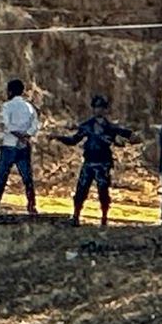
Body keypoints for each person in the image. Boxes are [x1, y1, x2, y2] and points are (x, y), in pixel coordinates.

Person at [51, 95, 134, 226]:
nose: (98, 110)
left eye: (101, 107)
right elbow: (74, 140)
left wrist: (126, 140)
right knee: (81, 191)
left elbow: (129, 136)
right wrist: (59, 137)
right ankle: (76, 216)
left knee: (103, 192)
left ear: (105, 109)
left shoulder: (110, 128)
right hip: (89, 162)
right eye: (96, 107)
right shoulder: (87, 126)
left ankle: (104, 218)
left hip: (103, 163)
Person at [0, 79, 40, 214]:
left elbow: (7, 125)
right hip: (24, 145)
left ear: (10, 91)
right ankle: (32, 205)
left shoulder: (7, 106)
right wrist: (26, 135)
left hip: (9, 145)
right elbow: (35, 125)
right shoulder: (29, 107)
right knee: (27, 177)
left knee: (1, 176)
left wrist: (18, 135)